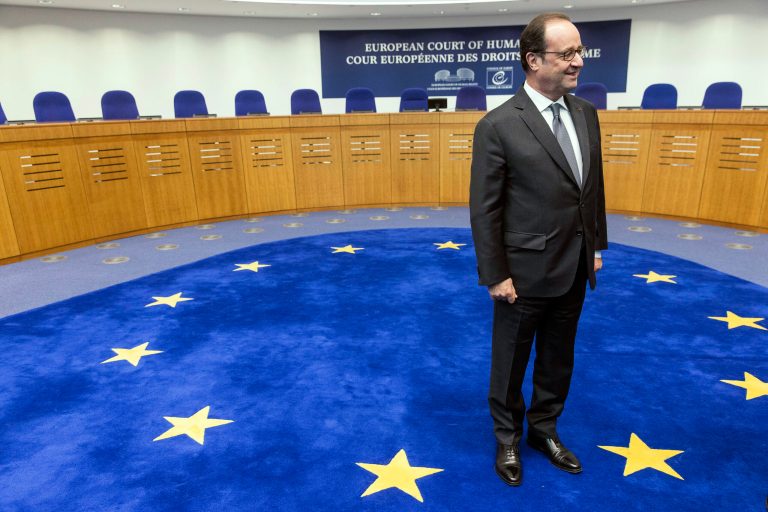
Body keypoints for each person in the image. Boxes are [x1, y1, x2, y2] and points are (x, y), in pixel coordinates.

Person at [469, 12, 608, 487]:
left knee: (557, 358)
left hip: (573, 266)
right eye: (567, 54)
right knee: (509, 364)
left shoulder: (586, 113)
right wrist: (495, 274)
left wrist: (596, 244)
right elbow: (485, 209)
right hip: (521, 274)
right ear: (533, 60)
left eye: (580, 51)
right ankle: (507, 436)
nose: (579, 62)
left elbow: (592, 189)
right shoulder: (498, 125)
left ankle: (543, 430)